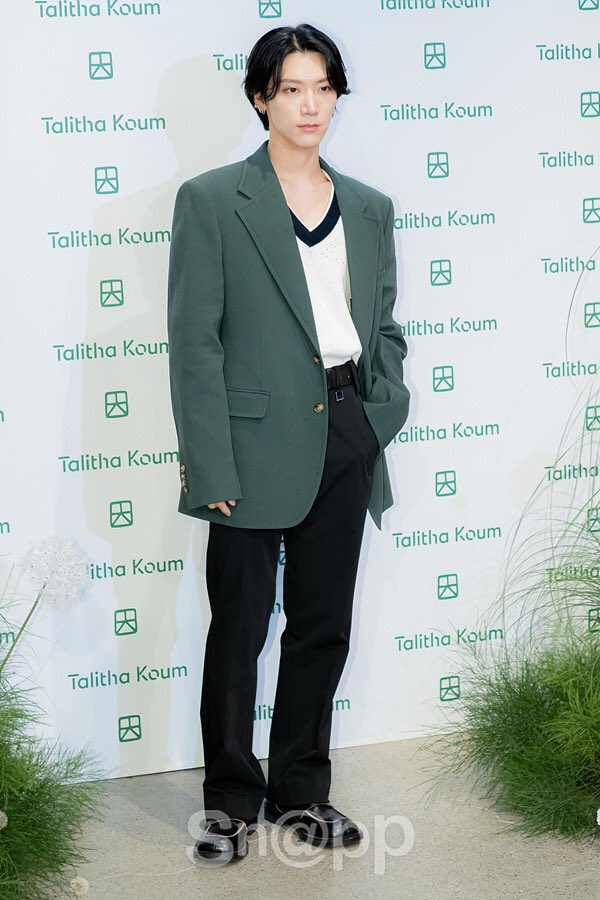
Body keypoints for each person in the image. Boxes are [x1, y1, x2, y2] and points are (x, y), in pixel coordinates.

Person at [167, 22, 411, 864]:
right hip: (247, 442)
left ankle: (301, 792)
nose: (311, 105)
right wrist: (209, 461)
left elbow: (382, 327)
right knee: (238, 630)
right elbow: (194, 343)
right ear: (261, 98)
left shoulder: (370, 207)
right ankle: (230, 802)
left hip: (346, 431)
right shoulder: (212, 200)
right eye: (292, 89)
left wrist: (377, 416)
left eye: (324, 88)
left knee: (322, 625)